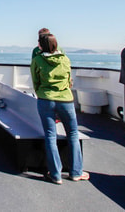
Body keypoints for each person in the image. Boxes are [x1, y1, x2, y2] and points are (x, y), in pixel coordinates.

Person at [31, 33, 89, 184]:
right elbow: (69, 81)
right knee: (73, 134)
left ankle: (55, 174)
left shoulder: (37, 60)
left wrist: (41, 93)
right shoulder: (65, 59)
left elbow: (35, 81)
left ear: (41, 45)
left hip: (45, 99)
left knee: (50, 136)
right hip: (65, 100)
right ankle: (76, 172)